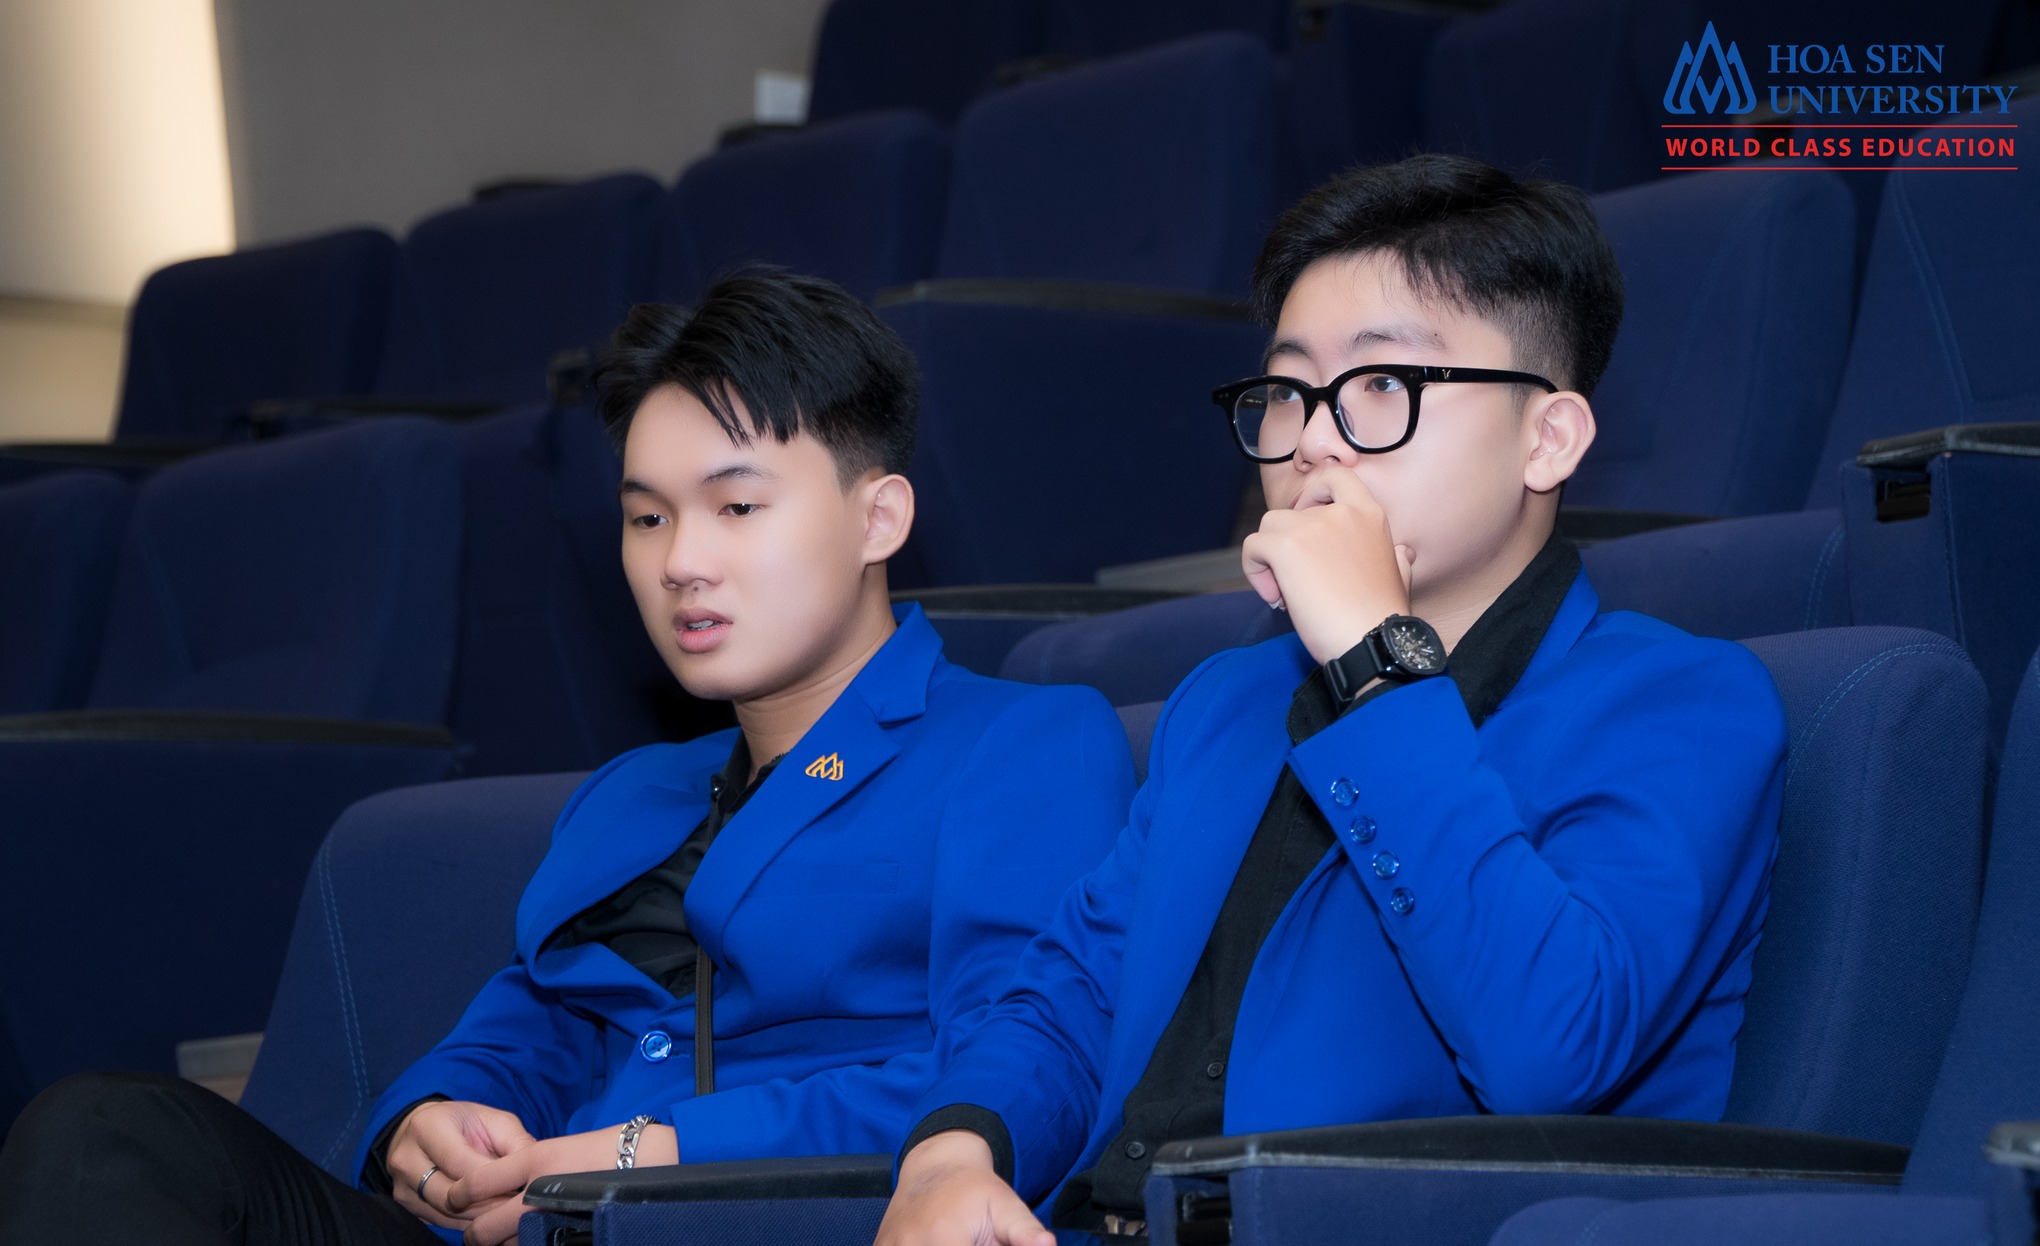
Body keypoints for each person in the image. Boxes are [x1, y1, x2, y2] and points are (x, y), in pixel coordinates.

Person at [0, 270, 1136, 1246]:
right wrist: (437, 1117)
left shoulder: (1020, 743)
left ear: (879, 518)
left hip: (767, 1219)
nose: (681, 561)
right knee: (105, 1132)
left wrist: (635, 1149)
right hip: (536, 1221)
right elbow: (531, 1021)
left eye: (736, 507)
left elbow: (1018, 1058)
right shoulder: (632, 794)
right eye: (648, 518)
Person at [876, 154, 1787, 1245]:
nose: (1310, 439)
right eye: (1288, 392)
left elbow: (1550, 1047)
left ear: (1546, 440)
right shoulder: (1227, 700)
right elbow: (1075, 989)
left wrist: (1373, 661)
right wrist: (955, 1149)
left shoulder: (1681, 705)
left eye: (1379, 387)